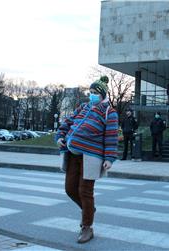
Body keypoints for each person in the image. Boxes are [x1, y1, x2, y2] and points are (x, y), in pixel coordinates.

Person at [55, 76, 118, 244]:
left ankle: (87, 227)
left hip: (91, 156)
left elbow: (111, 137)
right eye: (90, 92)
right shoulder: (83, 107)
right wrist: (60, 135)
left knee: (85, 191)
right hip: (73, 153)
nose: (91, 95)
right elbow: (67, 123)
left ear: (103, 94)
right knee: (69, 189)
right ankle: (89, 209)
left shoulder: (109, 112)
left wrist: (109, 158)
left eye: (95, 93)